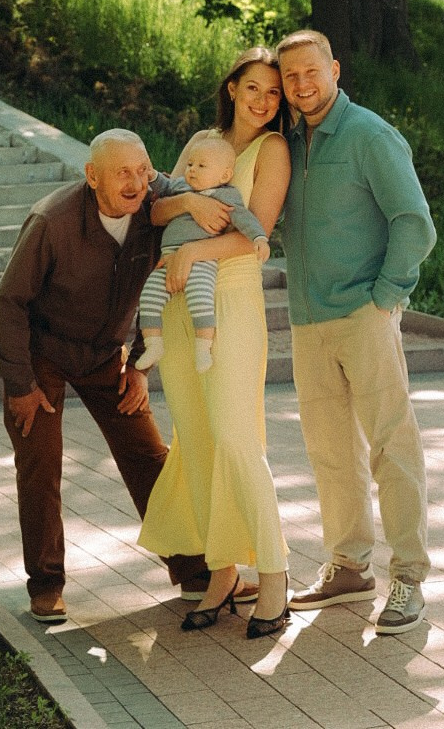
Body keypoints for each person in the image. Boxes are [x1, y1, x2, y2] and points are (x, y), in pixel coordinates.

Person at [0, 128, 208, 624]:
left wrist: (138, 366)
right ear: (92, 177)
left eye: (142, 170)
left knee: (149, 453)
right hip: (41, 352)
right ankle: (46, 584)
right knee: (40, 459)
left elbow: (198, 207)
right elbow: (10, 304)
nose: (135, 183)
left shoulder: (153, 211)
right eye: (121, 173)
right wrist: (19, 385)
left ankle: (194, 568)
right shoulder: (53, 221)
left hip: (107, 353)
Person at [276, 29, 436, 635]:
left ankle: (410, 578)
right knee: (329, 452)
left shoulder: (370, 134)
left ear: (335, 69)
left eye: (312, 71)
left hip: (363, 315)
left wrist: (385, 299)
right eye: (291, 77)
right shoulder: (288, 142)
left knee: (391, 445)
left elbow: (413, 223)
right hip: (308, 319)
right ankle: (348, 566)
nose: (302, 85)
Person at [137, 48, 292, 640]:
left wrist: (197, 247)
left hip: (230, 303)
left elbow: (258, 233)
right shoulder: (204, 139)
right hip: (178, 306)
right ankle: (222, 573)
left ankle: (274, 574)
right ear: (232, 87)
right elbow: (158, 208)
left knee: (234, 435)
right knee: (197, 439)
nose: (263, 100)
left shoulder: (272, 150)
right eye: (254, 87)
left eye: (273, 93)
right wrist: (192, 205)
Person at [136, 135, 271, 374]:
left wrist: (259, 237)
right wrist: (153, 175)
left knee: (201, 299)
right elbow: (163, 189)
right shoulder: (181, 187)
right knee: (148, 296)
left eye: (201, 166)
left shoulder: (226, 195)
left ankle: (203, 347)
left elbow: (243, 217)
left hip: (201, 262)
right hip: (168, 259)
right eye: (190, 164)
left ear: (224, 176)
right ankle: (153, 344)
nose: (192, 170)